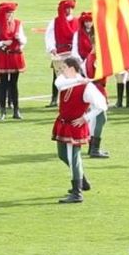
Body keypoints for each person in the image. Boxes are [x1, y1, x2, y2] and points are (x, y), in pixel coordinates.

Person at [52, 57, 107, 203]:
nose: (61, 70)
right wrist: (79, 80)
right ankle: (83, 182)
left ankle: (77, 192)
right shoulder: (65, 80)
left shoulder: (87, 87)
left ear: (72, 68)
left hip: (74, 125)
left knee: (73, 156)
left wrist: (86, 117)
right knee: (62, 154)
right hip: (63, 123)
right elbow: (59, 84)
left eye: (64, 67)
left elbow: (102, 105)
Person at [70, 11, 109, 158]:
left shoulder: (90, 57)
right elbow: (97, 74)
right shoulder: (94, 58)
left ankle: (93, 146)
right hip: (97, 88)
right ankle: (94, 148)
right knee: (100, 117)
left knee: (98, 117)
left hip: (95, 87)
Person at [0, 2, 27, 120]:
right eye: (8, 13)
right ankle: (2, 111)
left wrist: (19, 39)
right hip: (3, 56)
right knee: (2, 84)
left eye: (11, 13)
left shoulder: (18, 24)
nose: (10, 15)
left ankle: (16, 110)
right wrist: (2, 43)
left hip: (14, 56)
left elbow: (24, 40)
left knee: (14, 84)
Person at [45, 0, 78, 108]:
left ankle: (74, 98)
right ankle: (54, 99)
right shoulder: (55, 21)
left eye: (70, 8)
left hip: (73, 53)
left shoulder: (77, 21)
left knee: (74, 76)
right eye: (66, 8)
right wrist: (52, 48)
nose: (68, 10)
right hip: (60, 53)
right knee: (57, 76)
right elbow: (49, 35)